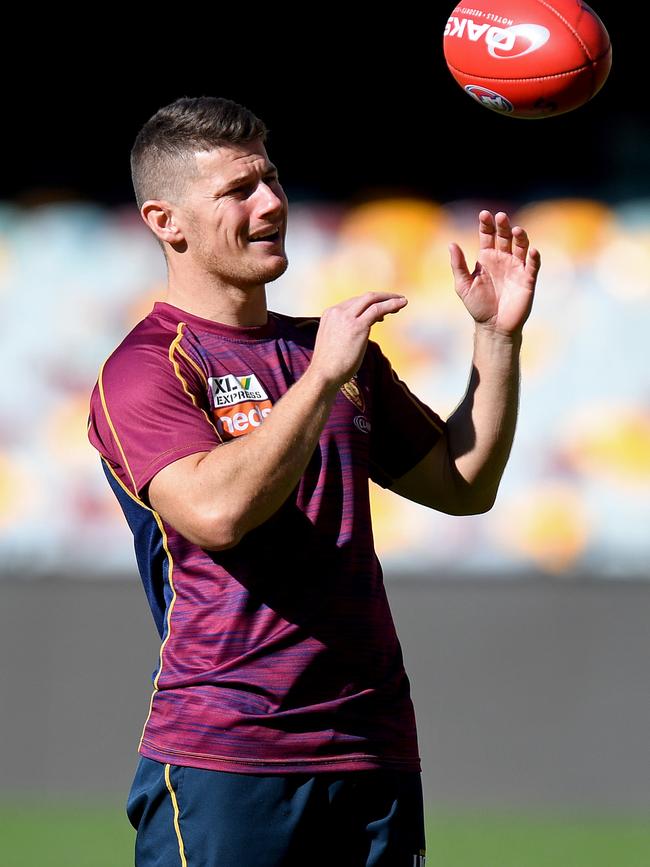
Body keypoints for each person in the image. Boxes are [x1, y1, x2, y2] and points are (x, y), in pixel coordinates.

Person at [87, 95, 541, 867]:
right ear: (168, 221)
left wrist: (496, 340)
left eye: (272, 179)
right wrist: (321, 380)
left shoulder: (331, 355)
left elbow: (462, 483)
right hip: (229, 755)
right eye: (239, 190)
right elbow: (218, 513)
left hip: (373, 746)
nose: (271, 203)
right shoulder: (145, 370)